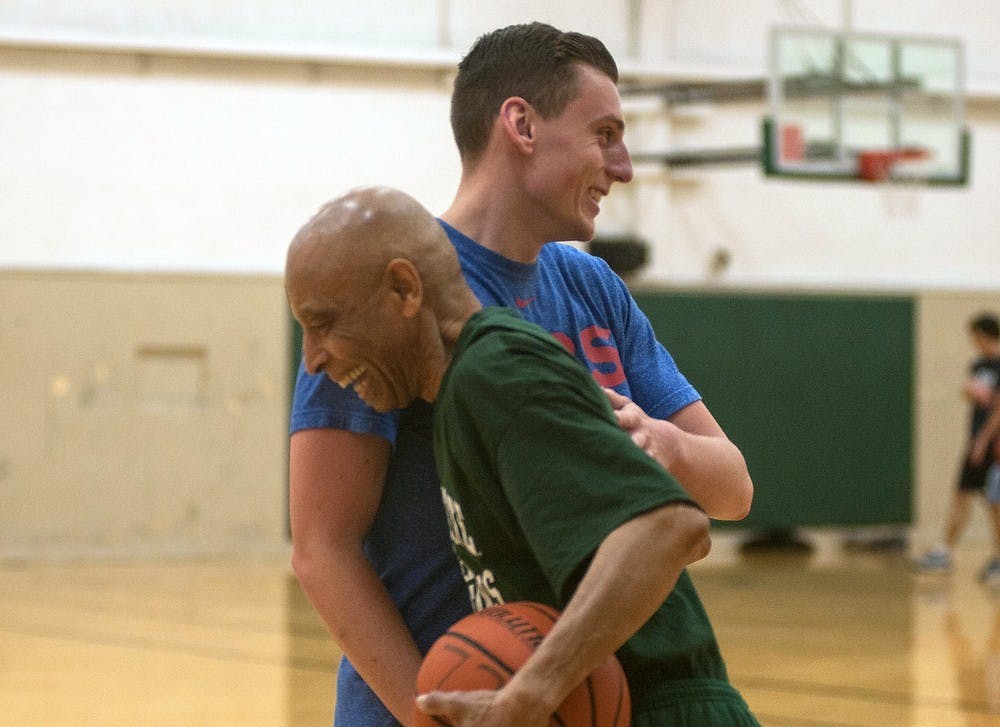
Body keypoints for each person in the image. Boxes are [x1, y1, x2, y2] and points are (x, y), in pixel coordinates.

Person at [288, 22, 754, 725]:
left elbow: (731, 489)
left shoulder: (593, 287)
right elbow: (323, 548)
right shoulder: (381, 286)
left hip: (570, 696)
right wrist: (432, 712)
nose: (623, 165)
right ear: (521, 124)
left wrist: (662, 444)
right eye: (605, 133)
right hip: (447, 698)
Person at [915, 312, 1000, 583]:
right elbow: (973, 394)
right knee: (962, 495)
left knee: (995, 502)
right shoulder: (979, 364)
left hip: (993, 446)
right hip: (976, 442)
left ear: (983, 334)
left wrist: (984, 440)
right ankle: (944, 552)